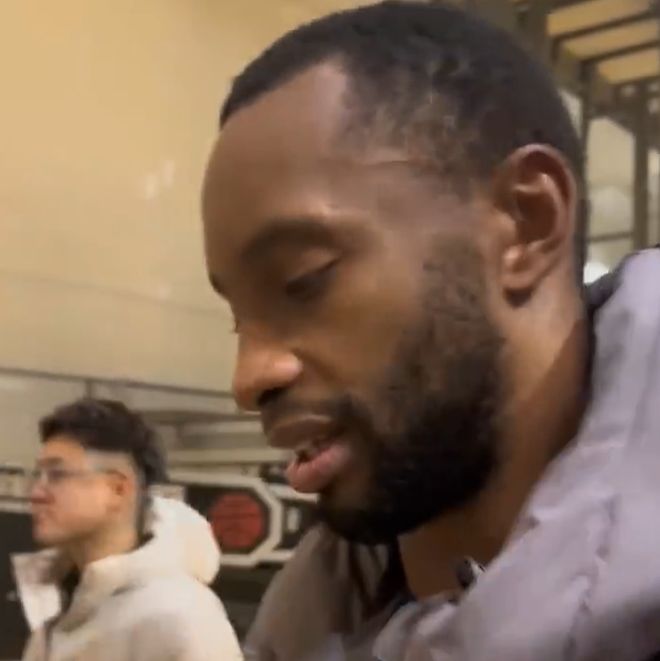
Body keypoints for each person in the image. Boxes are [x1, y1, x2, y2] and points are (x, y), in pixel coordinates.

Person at [201, 1, 660, 659]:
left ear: (526, 222)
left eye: (304, 279)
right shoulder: (307, 625)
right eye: (237, 320)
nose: (248, 379)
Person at [15, 398, 243, 661]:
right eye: (37, 475)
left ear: (118, 489)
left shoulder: (180, 617)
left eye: (57, 475)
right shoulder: (57, 623)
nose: (37, 493)